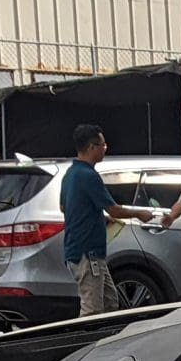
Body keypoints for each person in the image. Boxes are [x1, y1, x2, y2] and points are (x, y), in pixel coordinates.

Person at [60, 123, 131, 314]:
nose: (105, 149)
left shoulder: (70, 174)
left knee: (109, 301)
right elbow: (114, 209)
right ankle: (87, 343)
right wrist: (140, 214)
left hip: (84, 251)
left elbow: (64, 207)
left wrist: (100, 218)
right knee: (92, 310)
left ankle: (107, 340)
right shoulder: (87, 175)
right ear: (92, 147)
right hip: (87, 253)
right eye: (103, 145)